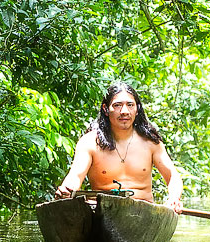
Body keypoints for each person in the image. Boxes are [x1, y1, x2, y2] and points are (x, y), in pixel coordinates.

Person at [54, 81, 183, 213]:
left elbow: (173, 176)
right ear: (105, 109)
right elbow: (76, 175)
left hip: (143, 213)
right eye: (117, 105)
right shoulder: (90, 142)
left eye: (130, 105)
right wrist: (67, 190)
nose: (124, 111)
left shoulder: (151, 142)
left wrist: (174, 198)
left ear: (137, 109)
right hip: (103, 212)